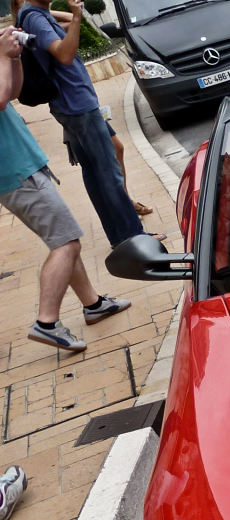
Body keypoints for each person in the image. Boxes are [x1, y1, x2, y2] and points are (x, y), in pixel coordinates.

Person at [1, 27, 131, 352]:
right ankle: (47, 322)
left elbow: (13, 92)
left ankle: (93, 304)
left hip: (24, 165)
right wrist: (3, 55)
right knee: (66, 243)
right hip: (15, 171)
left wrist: (15, 59)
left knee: (63, 237)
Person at [16, 0, 145, 245]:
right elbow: (65, 55)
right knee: (109, 173)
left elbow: (59, 20)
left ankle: (120, 238)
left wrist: (60, 11)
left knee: (97, 175)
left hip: (73, 106)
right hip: (77, 105)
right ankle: (133, 237)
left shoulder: (36, 14)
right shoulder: (34, 17)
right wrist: (76, 17)